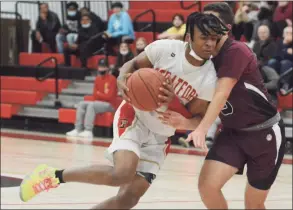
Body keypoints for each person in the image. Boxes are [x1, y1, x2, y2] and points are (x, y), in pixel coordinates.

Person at [19, 13, 228, 209]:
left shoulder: (209, 78)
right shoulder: (165, 48)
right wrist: (121, 77)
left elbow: (198, 118)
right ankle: (52, 176)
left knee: (127, 199)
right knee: (122, 173)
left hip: (161, 135)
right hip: (135, 115)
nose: (210, 43)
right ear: (189, 36)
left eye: (214, 38)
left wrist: (183, 120)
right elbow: (132, 64)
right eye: (204, 37)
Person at [183, 3, 285, 209]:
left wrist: (202, 128)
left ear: (227, 27)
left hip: (264, 134)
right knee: (207, 186)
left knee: (253, 204)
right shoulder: (203, 56)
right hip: (233, 133)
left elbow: (222, 92)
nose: (206, 26)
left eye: (213, 21)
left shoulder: (236, 50)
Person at [66, 58, 117, 140]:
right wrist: (101, 95)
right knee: (82, 104)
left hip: (110, 105)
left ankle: (88, 130)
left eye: (103, 67)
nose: (101, 69)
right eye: (100, 67)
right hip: (98, 102)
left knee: (91, 105)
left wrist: (99, 94)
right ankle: (77, 129)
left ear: (107, 68)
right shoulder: (97, 79)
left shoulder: (112, 79)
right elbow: (95, 94)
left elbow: (109, 97)